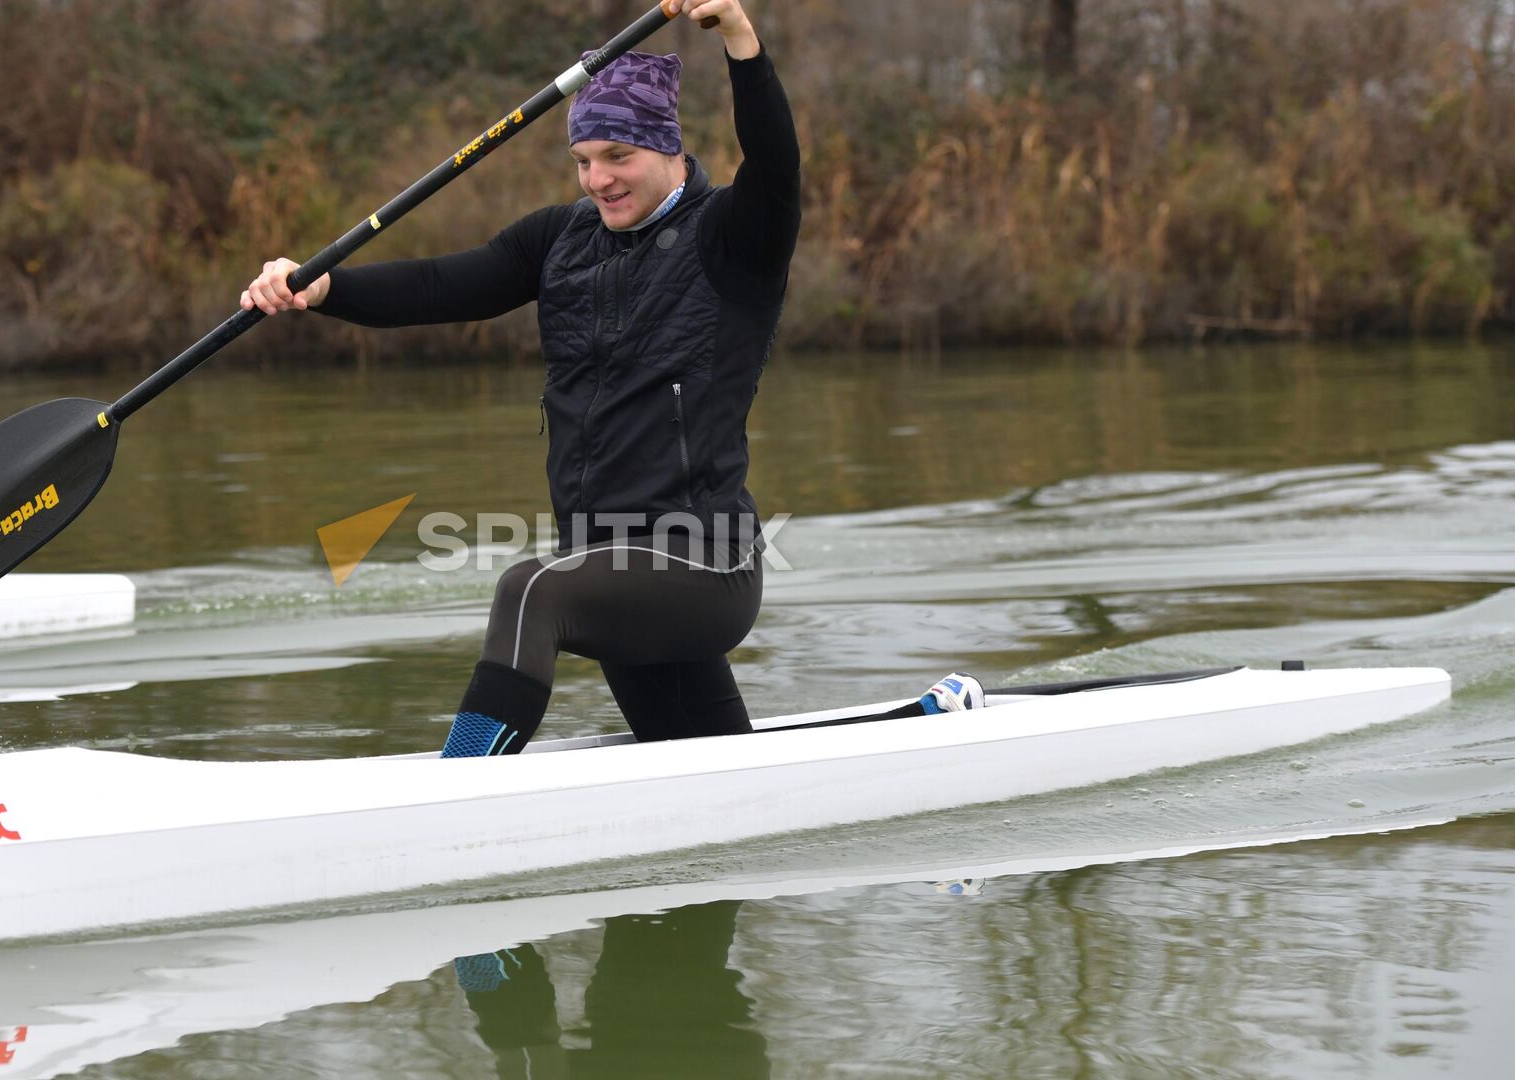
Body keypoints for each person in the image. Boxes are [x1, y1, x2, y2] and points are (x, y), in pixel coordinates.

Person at [243, 0, 983, 757]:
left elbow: (777, 163)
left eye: (618, 157)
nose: (598, 179)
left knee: (531, 588)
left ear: (669, 149)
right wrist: (324, 289)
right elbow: (438, 286)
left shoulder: (734, 239)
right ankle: (920, 732)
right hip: (606, 560)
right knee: (707, 765)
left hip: (705, 563)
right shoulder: (557, 241)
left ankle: (459, 780)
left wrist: (740, 39)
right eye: (583, 160)